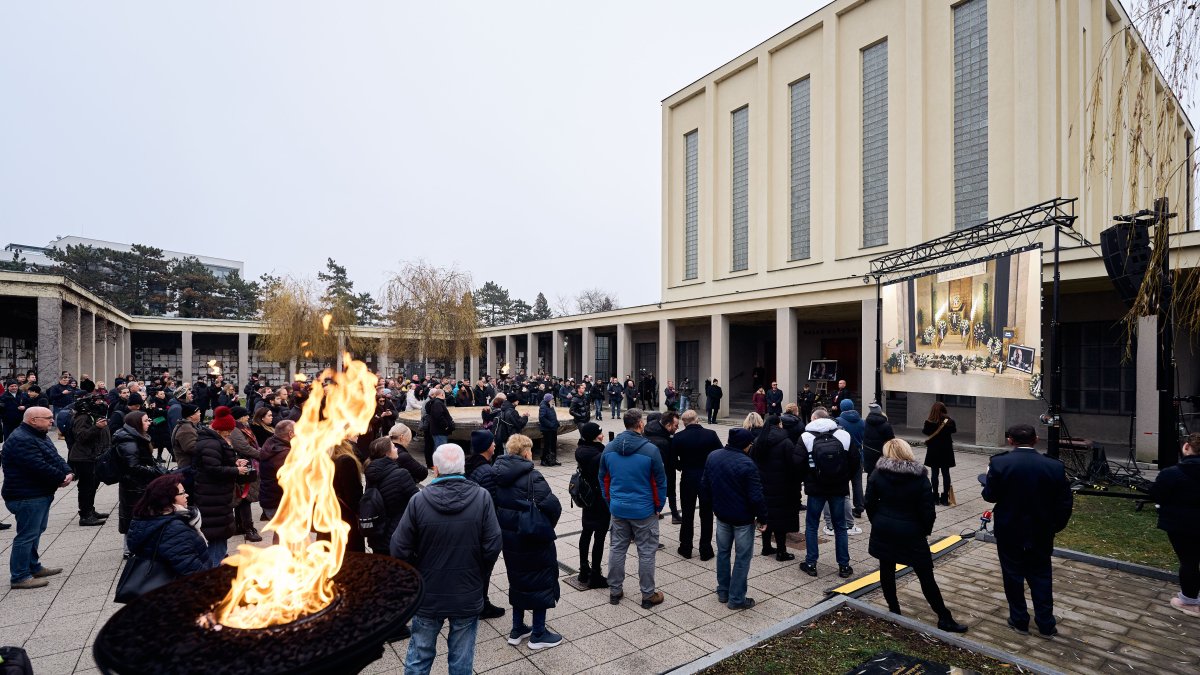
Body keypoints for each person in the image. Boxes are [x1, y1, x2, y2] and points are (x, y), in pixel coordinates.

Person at [391, 444, 502, 675]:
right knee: (461, 661)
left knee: (419, 656)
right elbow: (492, 545)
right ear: (462, 467)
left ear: (435, 469)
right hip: (467, 592)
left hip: (428, 594)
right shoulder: (482, 497)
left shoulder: (418, 501)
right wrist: (477, 571)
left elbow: (399, 548)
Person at [981, 424, 1073, 638]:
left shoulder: (1000, 462)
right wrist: (1055, 526)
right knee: (1041, 575)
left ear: (1010, 441)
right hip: (1041, 531)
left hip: (1009, 530)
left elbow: (990, 496)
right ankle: (1046, 623)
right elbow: (1065, 502)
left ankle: (1020, 620)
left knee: (1012, 576)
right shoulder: (1054, 466)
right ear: (1036, 439)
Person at [865, 439, 967, 632]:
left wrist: (877, 521)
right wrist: (924, 530)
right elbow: (927, 510)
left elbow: (869, 502)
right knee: (925, 574)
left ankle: (894, 609)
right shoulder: (919, 477)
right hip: (911, 530)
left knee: (886, 569)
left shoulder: (878, 473)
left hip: (884, 527)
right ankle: (943, 616)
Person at [493, 434, 564, 650]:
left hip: (510, 539)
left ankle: (517, 629)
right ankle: (539, 633)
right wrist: (544, 526)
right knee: (539, 582)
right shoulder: (533, 477)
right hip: (532, 538)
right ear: (526, 453)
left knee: (518, 581)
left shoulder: (497, 476)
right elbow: (553, 507)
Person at [599, 408, 667, 609]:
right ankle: (648, 595)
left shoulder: (609, 448)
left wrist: (610, 502)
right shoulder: (651, 450)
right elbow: (660, 481)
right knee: (646, 551)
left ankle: (615, 590)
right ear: (639, 424)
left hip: (618, 508)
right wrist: (658, 505)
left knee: (617, 548)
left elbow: (603, 478)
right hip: (644, 509)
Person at [2, 407, 73, 589]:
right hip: (26, 495)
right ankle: (19, 576)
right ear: (33, 420)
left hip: (38, 493)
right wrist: (59, 478)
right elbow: (37, 466)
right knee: (26, 536)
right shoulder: (21, 439)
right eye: (48, 418)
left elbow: (54, 457)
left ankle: (33, 566)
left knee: (35, 532)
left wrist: (67, 472)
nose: (52, 421)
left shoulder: (39, 434)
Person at [701, 428, 768, 609]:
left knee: (723, 553)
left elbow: (705, 485)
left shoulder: (713, 456)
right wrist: (763, 518)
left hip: (722, 515)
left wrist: (712, 506)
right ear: (746, 445)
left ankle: (723, 591)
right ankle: (736, 598)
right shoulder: (748, 464)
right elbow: (756, 496)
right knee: (742, 557)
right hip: (743, 519)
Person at [796, 407, 859, 579]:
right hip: (838, 488)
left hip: (816, 489)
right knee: (840, 526)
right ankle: (844, 566)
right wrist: (844, 477)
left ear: (814, 419)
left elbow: (797, 463)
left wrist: (808, 479)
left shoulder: (805, 437)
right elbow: (855, 461)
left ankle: (811, 563)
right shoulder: (844, 436)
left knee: (811, 525)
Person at [194, 406, 253, 567]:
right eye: (228, 431)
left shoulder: (214, 441)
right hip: (213, 495)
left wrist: (235, 462)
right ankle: (213, 569)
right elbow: (212, 469)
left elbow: (216, 462)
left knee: (219, 535)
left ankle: (215, 565)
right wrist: (236, 470)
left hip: (217, 494)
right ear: (220, 430)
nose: (230, 434)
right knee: (218, 536)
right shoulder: (211, 443)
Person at [1150, 432, 1200, 616]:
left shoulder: (1171, 474)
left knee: (1189, 562)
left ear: (1186, 447)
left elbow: (1156, 494)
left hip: (1182, 526)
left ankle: (1189, 601)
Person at [125, 474, 211, 579]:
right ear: (168, 499)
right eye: (182, 493)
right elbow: (192, 571)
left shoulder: (144, 518)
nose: (187, 495)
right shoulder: (174, 529)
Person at [464, 429, 507, 620]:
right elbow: (492, 504)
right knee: (484, 569)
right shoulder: (487, 472)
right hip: (482, 529)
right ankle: (482, 605)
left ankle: (475, 601)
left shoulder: (469, 465)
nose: (495, 444)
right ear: (486, 446)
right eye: (492, 442)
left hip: (470, 525)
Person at [672, 410, 722, 560]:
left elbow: (673, 460)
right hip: (706, 478)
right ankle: (705, 549)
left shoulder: (679, 437)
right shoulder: (711, 434)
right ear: (697, 420)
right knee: (706, 514)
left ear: (684, 423)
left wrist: (683, 467)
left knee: (687, 514)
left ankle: (686, 547)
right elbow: (719, 453)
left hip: (688, 478)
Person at [753, 415, 800, 561]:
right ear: (780, 424)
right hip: (781, 486)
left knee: (766, 516)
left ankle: (766, 547)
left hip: (763, 486)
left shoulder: (758, 441)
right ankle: (781, 551)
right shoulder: (786, 442)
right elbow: (793, 466)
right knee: (780, 519)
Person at [115, 410, 165, 540]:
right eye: (145, 420)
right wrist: (155, 471)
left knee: (139, 515)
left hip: (139, 484)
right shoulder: (129, 441)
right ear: (136, 423)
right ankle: (130, 549)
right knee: (134, 516)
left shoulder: (137, 436)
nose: (149, 423)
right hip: (134, 486)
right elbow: (133, 467)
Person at [364, 437, 419, 554]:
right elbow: (417, 500)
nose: (397, 449)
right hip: (396, 534)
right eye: (394, 447)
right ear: (387, 453)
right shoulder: (401, 474)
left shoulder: (371, 473)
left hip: (376, 534)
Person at [574, 422, 611, 588]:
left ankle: (583, 570)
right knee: (600, 536)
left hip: (587, 499)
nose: (602, 436)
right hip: (600, 500)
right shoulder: (599, 455)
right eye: (600, 434)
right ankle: (595, 574)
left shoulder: (580, 450)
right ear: (595, 437)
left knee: (586, 532)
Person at [69, 397, 111, 526]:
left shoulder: (90, 416)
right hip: (84, 457)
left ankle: (90, 511)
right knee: (86, 486)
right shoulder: (82, 418)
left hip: (91, 456)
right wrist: (97, 427)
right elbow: (82, 437)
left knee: (92, 485)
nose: (99, 404)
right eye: (96, 403)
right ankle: (85, 515)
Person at [228, 406, 263, 543]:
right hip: (243, 465)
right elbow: (243, 447)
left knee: (241, 497)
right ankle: (248, 528)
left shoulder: (242, 427)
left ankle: (240, 525)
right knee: (244, 497)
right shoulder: (236, 430)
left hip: (245, 463)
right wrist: (260, 455)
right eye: (245, 415)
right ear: (239, 417)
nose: (248, 417)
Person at [644, 411, 680, 523]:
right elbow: (671, 460)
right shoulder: (664, 440)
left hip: (647, 471)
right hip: (665, 470)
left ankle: (655, 513)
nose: (677, 428)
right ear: (668, 425)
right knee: (669, 491)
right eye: (676, 425)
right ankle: (673, 514)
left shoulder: (648, 431)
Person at [331, 441, 365, 554]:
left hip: (330, 513)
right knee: (349, 553)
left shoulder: (326, 459)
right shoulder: (345, 461)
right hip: (345, 517)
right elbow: (353, 495)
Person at [258, 419, 294, 523]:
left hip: (270, 499)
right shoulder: (283, 454)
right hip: (278, 502)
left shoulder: (272, 442)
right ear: (291, 434)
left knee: (281, 534)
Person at [922, 402, 957, 506]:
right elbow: (954, 430)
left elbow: (925, 432)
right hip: (946, 450)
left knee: (934, 474)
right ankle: (945, 499)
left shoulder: (929, 422)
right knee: (946, 473)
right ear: (943, 409)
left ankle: (935, 498)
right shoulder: (949, 421)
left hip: (934, 450)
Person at [862, 401, 895, 475]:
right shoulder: (886, 425)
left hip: (868, 454)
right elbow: (891, 441)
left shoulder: (865, 423)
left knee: (870, 476)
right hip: (881, 455)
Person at [172, 403, 201, 468]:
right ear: (191, 416)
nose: (200, 414)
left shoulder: (189, 426)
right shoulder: (186, 429)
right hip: (188, 467)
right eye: (198, 412)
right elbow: (192, 448)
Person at [426, 388, 455, 452]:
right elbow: (439, 416)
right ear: (442, 394)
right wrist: (446, 426)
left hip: (438, 430)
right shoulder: (437, 403)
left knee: (439, 448)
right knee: (441, 450)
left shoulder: (436, 402)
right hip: (439, 431)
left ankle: (438, 461)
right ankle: (438, 461)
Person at [537, 393, 561, 466]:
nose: (553, 400)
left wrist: (556, 423)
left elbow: (553, 416)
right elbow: (542, 418)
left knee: (553, 445)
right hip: (547, 429)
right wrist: (551, 424)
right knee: (547, 445)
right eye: (552, 399)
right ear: (548, 400)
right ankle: (544, 460)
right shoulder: (543, 406)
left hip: (553, 428)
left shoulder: (550, 406)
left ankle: (553, 459)